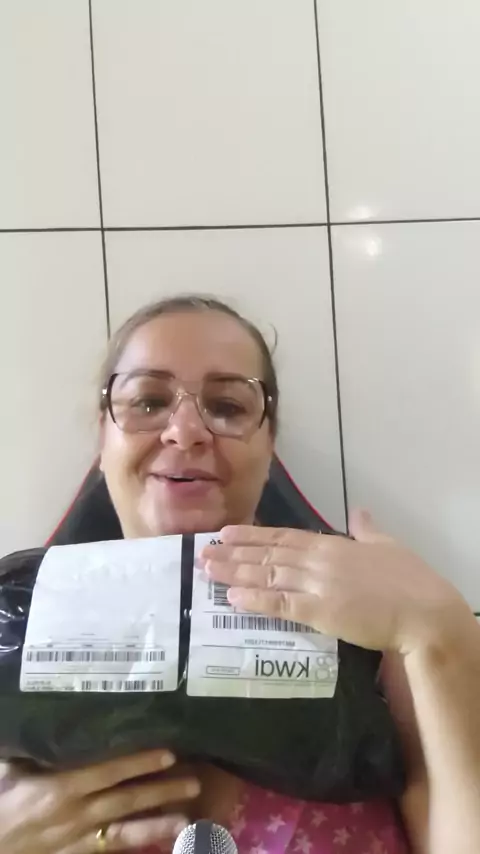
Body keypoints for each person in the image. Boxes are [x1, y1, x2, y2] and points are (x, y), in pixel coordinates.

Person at [1, 294, 479, 854]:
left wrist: (438, 628)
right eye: (148, 401)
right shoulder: (12, 637)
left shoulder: (381, 633)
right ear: (101, 438)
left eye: (226, 406)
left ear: (269, 442)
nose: (185, 431)